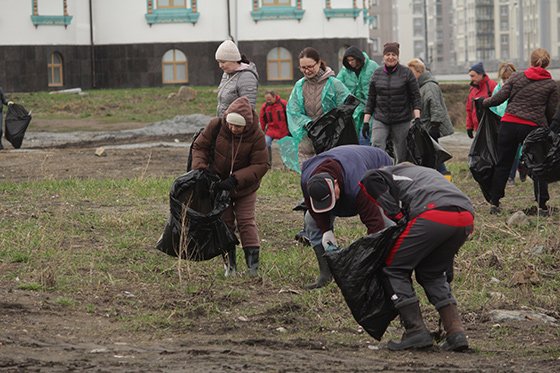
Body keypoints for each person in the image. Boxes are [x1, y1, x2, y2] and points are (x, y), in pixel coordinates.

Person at [360, 163, 474, 351]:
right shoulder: (425, 173)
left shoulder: (383, 174)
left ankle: (415, 331)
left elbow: (369, 180)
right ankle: (456, 333)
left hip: (433, 214)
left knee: (394, 269)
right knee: (432, 273)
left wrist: (397, 216)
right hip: (466, 217)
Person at [191, 96, 269, 276]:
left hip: (245, 187)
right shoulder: (216, 126)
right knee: (224, 224)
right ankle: (230, 266)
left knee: (245, 221)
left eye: (238, 126)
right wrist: (202, 169)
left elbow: (261, 165)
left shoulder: (256, 135)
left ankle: (252, 269)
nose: (233, 128)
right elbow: (199, 147)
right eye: (231, 124)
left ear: (247, 125)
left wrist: (235, 179)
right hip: (218, 186)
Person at [301, 145, 393, 289]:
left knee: (387, 223)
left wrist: (367, 259)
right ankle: (326, 275)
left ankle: (388, 274)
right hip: (346, 162)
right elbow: (313, 208)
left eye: (331, 198)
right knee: (310, 220)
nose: (330, 205)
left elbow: (375, 224)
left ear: (335, 183)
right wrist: (326, 231)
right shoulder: (307, 178)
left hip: (378, 167)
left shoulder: (359, 184)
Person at [482, 48, 559, 215]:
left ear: (530, 61)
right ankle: (542, 206)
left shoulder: (516, 77)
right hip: (532, 127)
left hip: (508, 124)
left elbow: (499, 98)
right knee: (538, 165)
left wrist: (483, 103)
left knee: (503, 164)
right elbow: (552, 112)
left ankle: (494, 203)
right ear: (548, 64)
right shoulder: (551, 84)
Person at [287, 47, 351, 166]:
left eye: (310, 67)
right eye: (303, 68)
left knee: (328, 169)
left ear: (319, 63)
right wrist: (308, 123)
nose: (306, 71)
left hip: (330, 137)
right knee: (307, 172)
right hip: (307, 136)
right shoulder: (300, 86)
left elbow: (346, 107)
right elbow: (293, 110)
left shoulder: (334, 84)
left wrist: (327, 123)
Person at [363, 42, 421, 163]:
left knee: (402, 152)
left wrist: (417, 118)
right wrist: (366, 122)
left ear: (398, 57)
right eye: (388, 54)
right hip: (381, 118)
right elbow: (371, 98)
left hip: (401, 119)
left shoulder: (406, 73)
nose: (390, 57)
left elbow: (415, 96)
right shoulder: (377, 74)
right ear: (383, 57)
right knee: (376, 145)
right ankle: (378, 172)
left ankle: (400, 174)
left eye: (394, 54)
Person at [407, 58, 454, 175]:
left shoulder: (429, 86)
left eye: (411, 73)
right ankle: (440, 178)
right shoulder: (421, 85)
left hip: (430, 127)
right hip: (426, 126)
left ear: (418, 72)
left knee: (434, 155)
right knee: (432, 155)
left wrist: (435, 126)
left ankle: (444, 178)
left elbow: (436, 106)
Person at [489, 62, 524, 185]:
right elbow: (494, 105)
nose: (506, 81)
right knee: (506, 151)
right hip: (502, 122)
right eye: (504, 78)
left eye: (508, 78)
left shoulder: (519, 89)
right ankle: (510, 175)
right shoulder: (498, 88)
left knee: (516, 151)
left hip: (516, 121)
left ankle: (513, 175)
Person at [336, 46, 379, 145]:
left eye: (352, 60)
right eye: (348, 60)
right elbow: (337, 86)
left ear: (358, 58)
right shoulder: (345, 71)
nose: (350, 63)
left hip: (372, 108)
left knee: (370, 137)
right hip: (354, 110)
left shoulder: (372, 66)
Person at [215, 40, 259, 116]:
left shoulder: (246, 77)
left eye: (223, 62)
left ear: (233, 60)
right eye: (219, 62)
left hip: (237, 126)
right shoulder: (227, 74)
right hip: (226, 124)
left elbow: (248, 108)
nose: (220, 66)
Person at [465, 61, 497, 138]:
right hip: (477, 128)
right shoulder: (472, 89)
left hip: (491, 127)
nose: (471, 79)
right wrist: (469, 127)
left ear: (480, 74)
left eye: (473, 76)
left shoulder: (492, 85)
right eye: (470, 76)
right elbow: (469, 109)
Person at [259, 90, 290, 166]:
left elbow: (290, 116)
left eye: (269, 99)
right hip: (271, 131)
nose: (268, 101)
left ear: (274, 97)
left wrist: (291, 130)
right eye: (266, 99)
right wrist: (262, 131)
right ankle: (268, 163)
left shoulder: (283, 104)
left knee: (285, 147)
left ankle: (286, 165)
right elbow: (262, 120)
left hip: (283, 131)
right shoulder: (265, 106)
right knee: (266, 143)